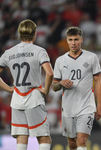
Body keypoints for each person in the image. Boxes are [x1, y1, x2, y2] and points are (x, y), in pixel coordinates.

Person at [0, 19, 53, 150]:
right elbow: (50, 73)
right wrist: (46, 90)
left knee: (21, 137)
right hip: (34, 96)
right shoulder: (39, 51)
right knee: (44, 138)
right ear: (35, 33)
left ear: (19, 33)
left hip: (17, 98)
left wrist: (8, 89)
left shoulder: (9, 52)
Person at [52, 27, 101, 150]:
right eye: (70, 40)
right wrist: (61, 83)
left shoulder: (91, 57)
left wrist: (99, 105)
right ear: (67, 41)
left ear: (81, 40)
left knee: (81, 141)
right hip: (68, 108)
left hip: (86, 107)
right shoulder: (60, 60)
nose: (73, 43)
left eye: (76, 39)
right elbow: (54, 87)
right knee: (72, 143)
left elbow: (98, 81)